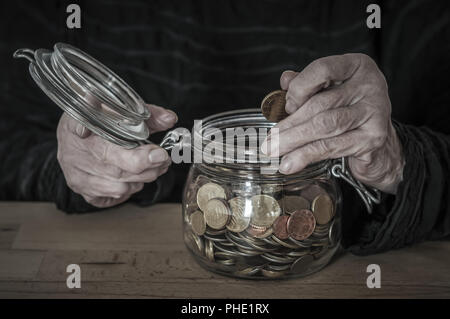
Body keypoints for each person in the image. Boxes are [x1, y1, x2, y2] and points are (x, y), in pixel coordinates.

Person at [0, 0, 448, 255]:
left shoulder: (410, 15)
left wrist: (397, 161)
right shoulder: (59, 10)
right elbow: (9, 145)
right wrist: (72, 165)